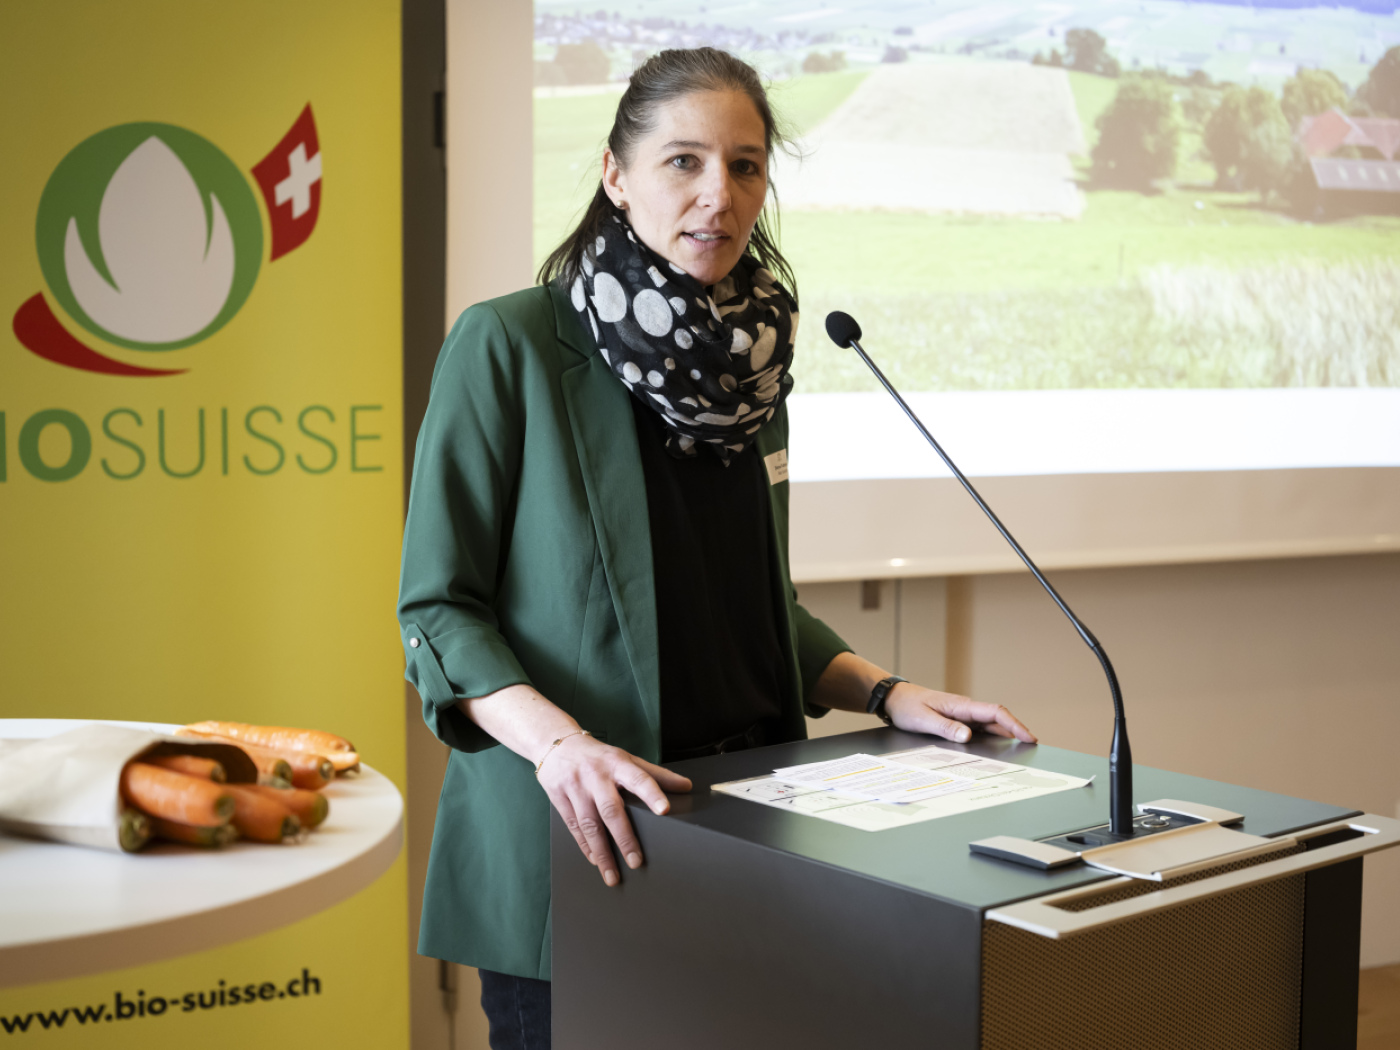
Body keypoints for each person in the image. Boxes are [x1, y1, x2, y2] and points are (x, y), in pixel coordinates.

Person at [398, 46, 1037, 1050]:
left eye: (745, 166)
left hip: (746, 838)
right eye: (683, 162)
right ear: (616, 176)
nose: (718, 194)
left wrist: (884, 692)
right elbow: (439, 610)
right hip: (582, 845)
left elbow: (750, 605)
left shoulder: (749, 371)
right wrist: (560, 747)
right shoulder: (511, 344)